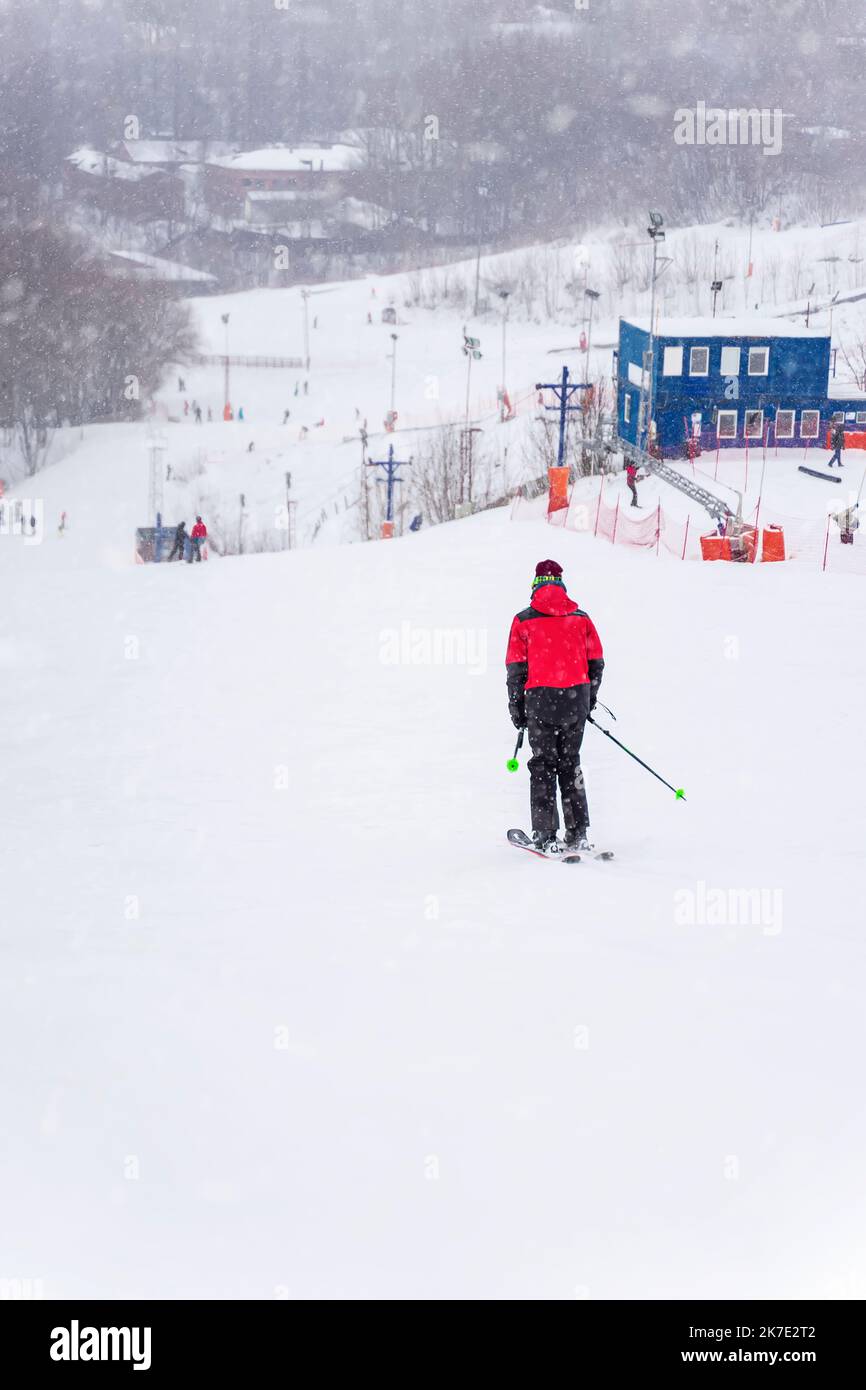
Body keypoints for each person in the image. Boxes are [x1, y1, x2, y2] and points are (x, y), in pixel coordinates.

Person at [505, 559, 604, 854]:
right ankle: (578, 832)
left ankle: (546, 834)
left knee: (543, 765)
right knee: (570, 762)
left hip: (541, 700)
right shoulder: (581, 618)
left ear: (535, 584)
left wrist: (517, 709)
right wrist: (589, 698)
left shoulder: (523, 620)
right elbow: (596, 663)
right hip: (575, 698)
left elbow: (516, 670)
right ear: (561, 583)